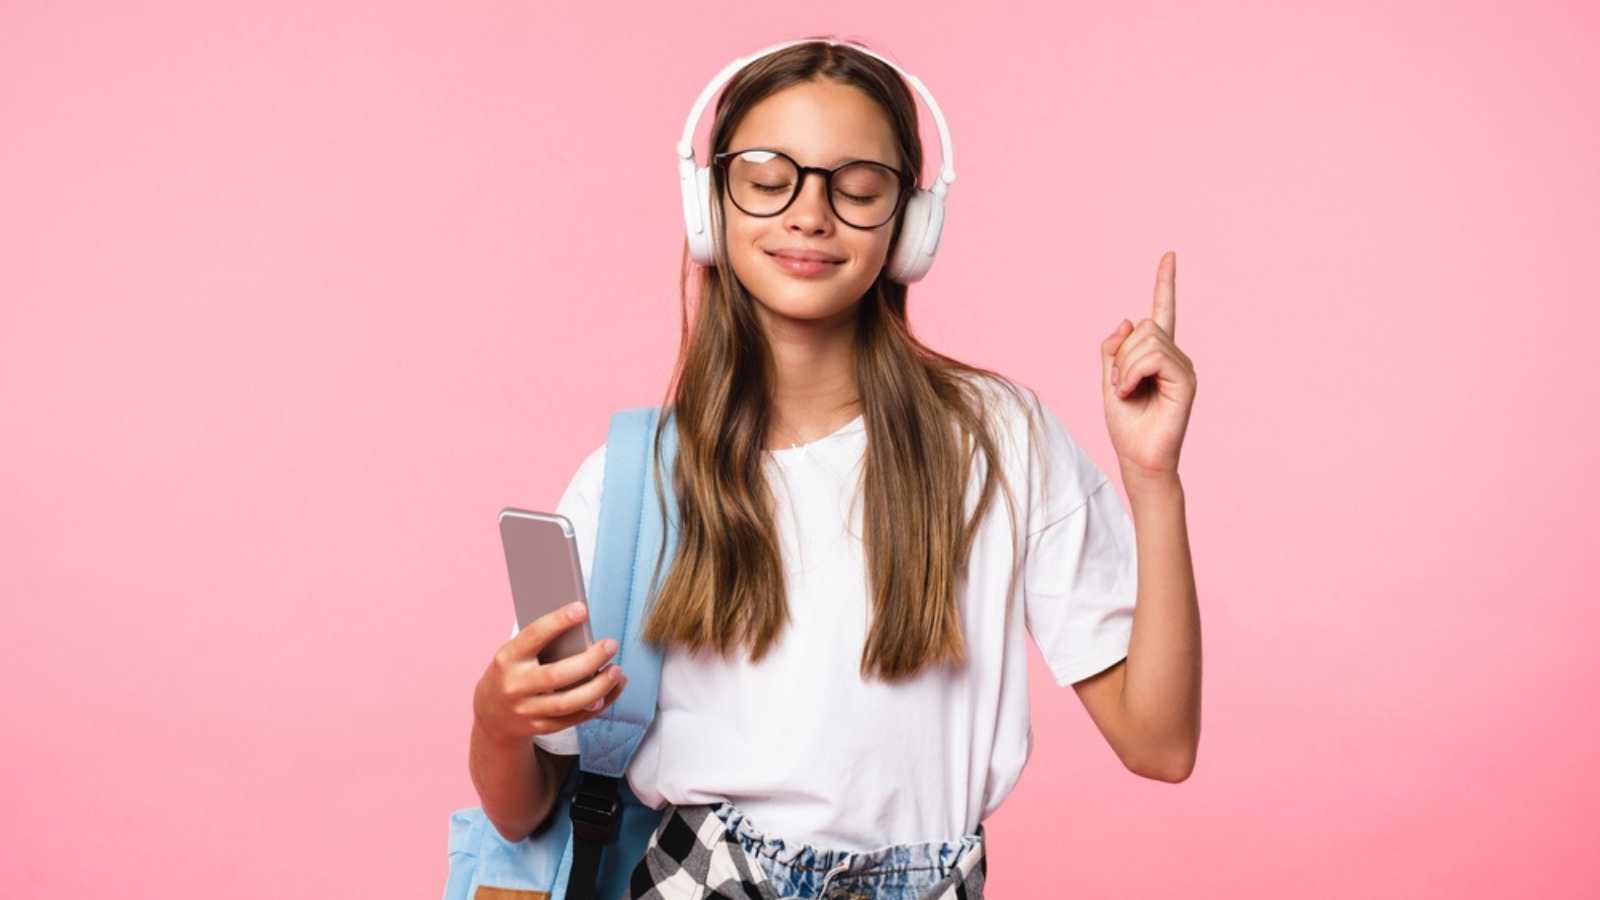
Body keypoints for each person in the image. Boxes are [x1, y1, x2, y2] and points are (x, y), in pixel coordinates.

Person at [470, 36, 1201, 900]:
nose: (810, 216)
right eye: (769, 179)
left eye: (857, 189)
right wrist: (496, 719)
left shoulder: (1000, 441)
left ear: (911, 226)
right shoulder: (635, 485)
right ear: (710, 206)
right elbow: (529, 810)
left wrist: (1153, 479)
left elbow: (1160, 744)